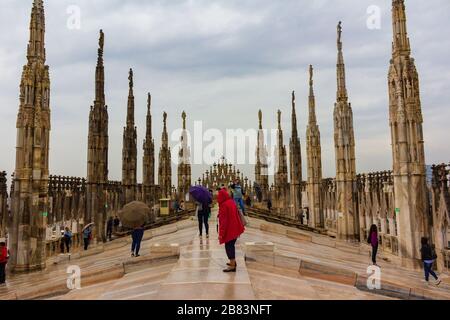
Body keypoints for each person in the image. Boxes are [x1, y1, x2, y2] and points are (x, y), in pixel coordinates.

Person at [218, 188, 245, 273]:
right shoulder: (231, 202)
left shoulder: (224, 205)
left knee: (228, 246)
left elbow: (224, 222)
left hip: (230, 230)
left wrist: (221, 234)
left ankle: (232, 265)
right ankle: (232, 262)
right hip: (235, 228)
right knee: (231, 245)